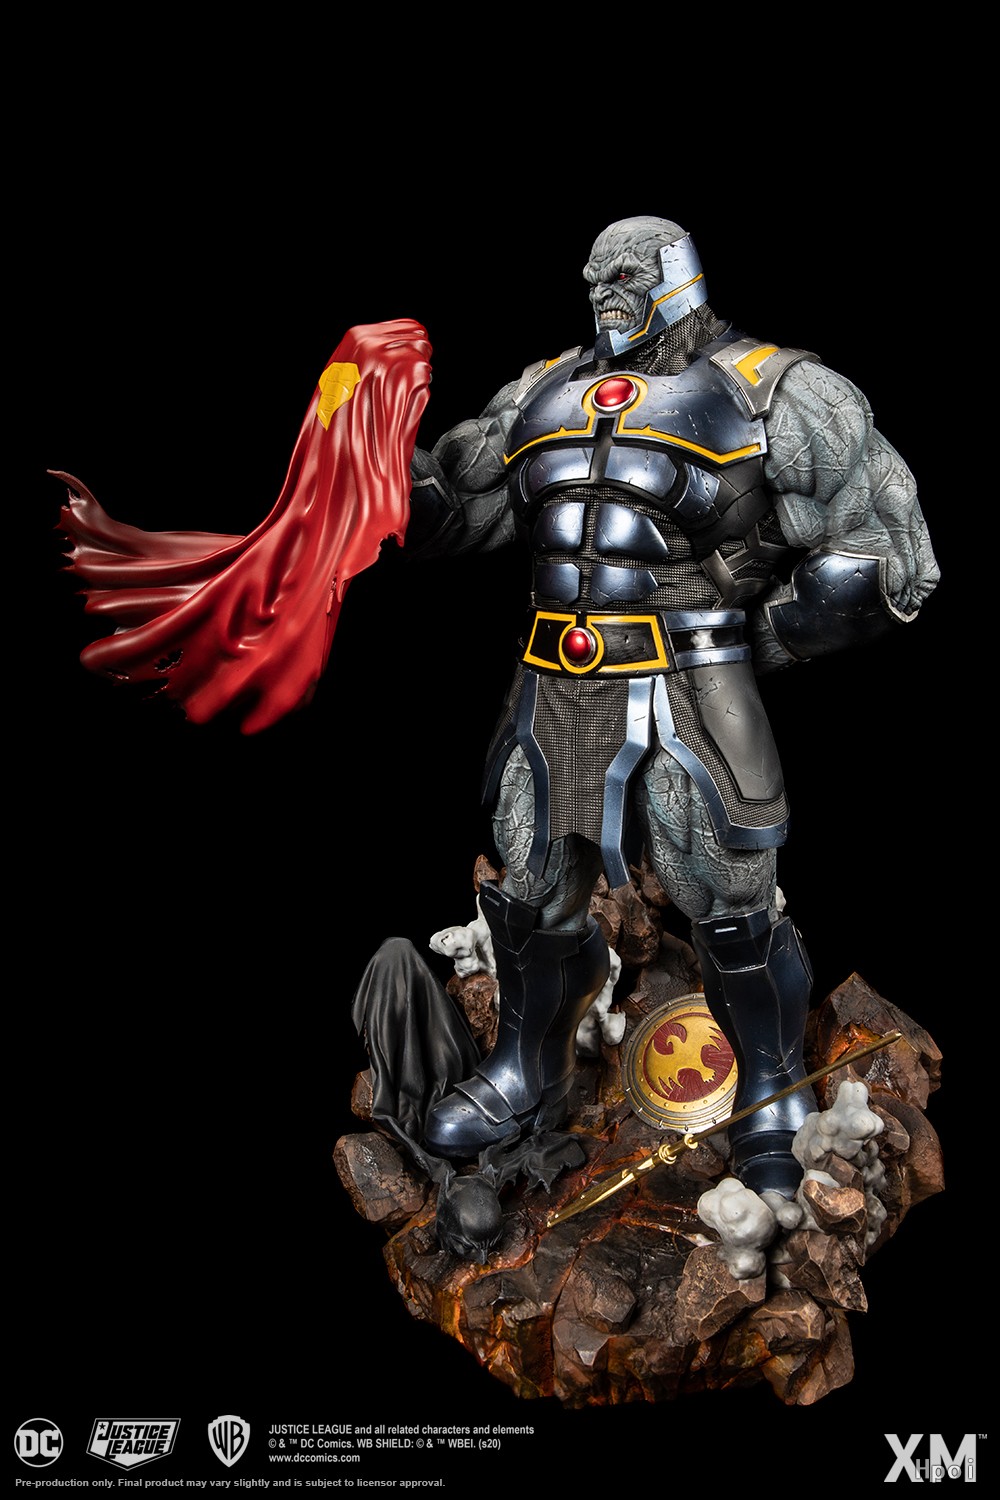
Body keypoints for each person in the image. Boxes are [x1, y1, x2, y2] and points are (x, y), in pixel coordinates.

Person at [401, 216, 938, 1197]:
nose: (603, 291)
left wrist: (768, 636)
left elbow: (885, 547)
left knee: (726, 896)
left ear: (675, 276)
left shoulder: (771, 389)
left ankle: (769, 1090)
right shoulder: (541, 391)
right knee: (530, 888)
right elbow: (452, 509)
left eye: (624, 275)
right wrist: (367, 472)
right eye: (593, 275)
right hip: (554, 680)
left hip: (688, 676)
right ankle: (526, 1068)